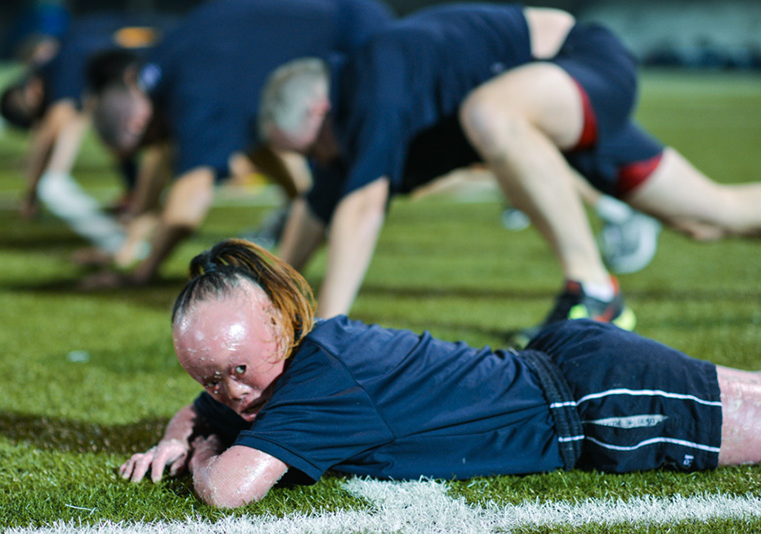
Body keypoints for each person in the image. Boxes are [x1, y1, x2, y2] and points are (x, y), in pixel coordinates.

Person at [119, 238, 761, 509]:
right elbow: (204, 409)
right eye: (211, 378)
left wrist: (201, 451)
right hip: (574, 364)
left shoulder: (320, 387)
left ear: (283, 327)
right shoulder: (301, 359)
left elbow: (230, 490)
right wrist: (181, 432)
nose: (233, 393)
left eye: (240, 370)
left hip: (594, 404)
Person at [258, 3, 761, 345]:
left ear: (320, 110)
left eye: (308, 150)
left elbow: (362, 206)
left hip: (580, 64)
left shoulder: (372, 79)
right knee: (713, 216)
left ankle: (594, 291)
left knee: (490, 112)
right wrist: (268, 296)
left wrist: (323, 332)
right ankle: (595, 285)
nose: (315, 162)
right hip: (546, 107)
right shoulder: (346, 126)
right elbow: (318, 204)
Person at [81, 0, 394, 288]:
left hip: (356, 34)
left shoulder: (194, 93)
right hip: (339, 16)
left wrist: (142, 273)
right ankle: (301, 215)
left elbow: (188, 203)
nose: (153, 147)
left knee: (356, 172)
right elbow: (174, 156)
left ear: (138, 124)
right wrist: (129, 244)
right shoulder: (162, 69)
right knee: (267, 143)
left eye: (145, 143)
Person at [0, 12, 176, 256]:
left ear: (32, 88)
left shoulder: (65, 62)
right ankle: (136, 199)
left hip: (167, 56)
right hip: (160, 51)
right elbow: (60, 124)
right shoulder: (66, 54)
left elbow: (55, 122)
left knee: (146, 141)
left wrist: (32, 191)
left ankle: (143, 211)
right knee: (119, 131)